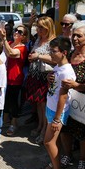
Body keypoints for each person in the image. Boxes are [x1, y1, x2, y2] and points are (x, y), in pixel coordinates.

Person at [37, 37, 76, 169]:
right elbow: (55, 87)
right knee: (53, 142)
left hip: (57, 112)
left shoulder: (67, 72)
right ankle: (54, 164)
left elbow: (63, 97)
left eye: (54, 51)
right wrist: (50, 78)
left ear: (64, 52)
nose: (51, 54)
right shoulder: (58, 66)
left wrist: (56, 119)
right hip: (51, 108)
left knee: (48, 142)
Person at [59, 22, 85, 169]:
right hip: (66, 99)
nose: (75, 38)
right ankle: (67, 155)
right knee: (64, 129)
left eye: (79, 35)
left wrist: (74, 85)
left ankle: (82, 159)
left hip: (82, 102)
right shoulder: (70, 53)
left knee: (83, 133)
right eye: (74, 35)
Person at [26, 16, 56, 144]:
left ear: (48, 28)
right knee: (38, 103)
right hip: (35, 75)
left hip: (45, 77)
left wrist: (39, 56)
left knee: (44, 105)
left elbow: (55, 59)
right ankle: (40, 126)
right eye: (37, 27)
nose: (38, 30)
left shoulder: (53, 42)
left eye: (41, 28)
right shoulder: (38, 39)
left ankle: (44, 130)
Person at [0, 25, 28, 135]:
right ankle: (6, 120)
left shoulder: (23, 48)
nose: (16, 32)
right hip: (5, 76)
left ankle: (14, 123)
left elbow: (11, 53)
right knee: (6, 100)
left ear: (24, 36)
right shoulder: (10, 43)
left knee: (14, 101)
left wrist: (4, 39)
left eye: (20, 31)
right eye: (15, 30)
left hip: (15, 77)